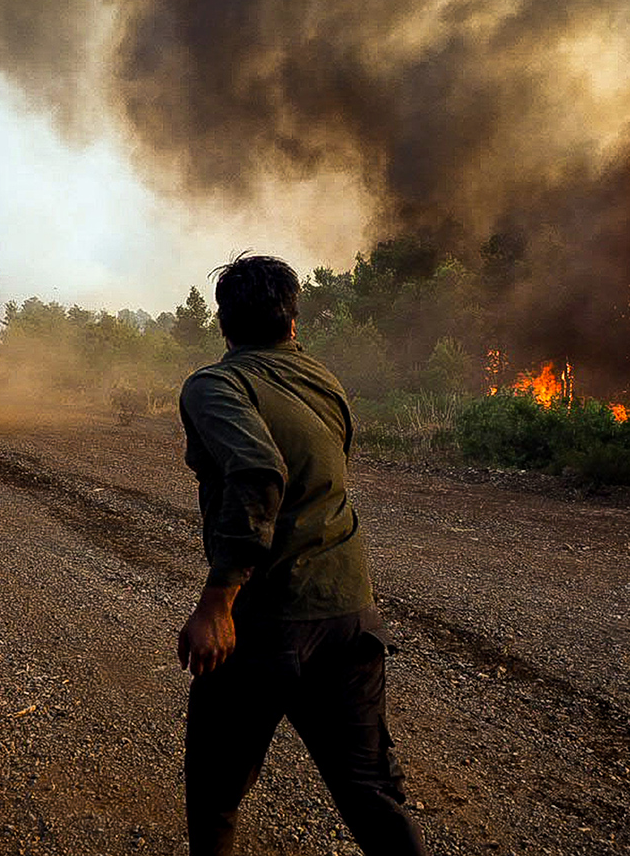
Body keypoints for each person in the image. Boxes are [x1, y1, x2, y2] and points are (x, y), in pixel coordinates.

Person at [176, 254, 428, 856]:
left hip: (267, 619)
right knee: (371, 791)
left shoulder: (216, 385)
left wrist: (218, 603)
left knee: (214, 791)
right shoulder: (323, 379)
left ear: (223, 323)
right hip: (351, 615)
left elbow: (259, 472)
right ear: (293, 321)